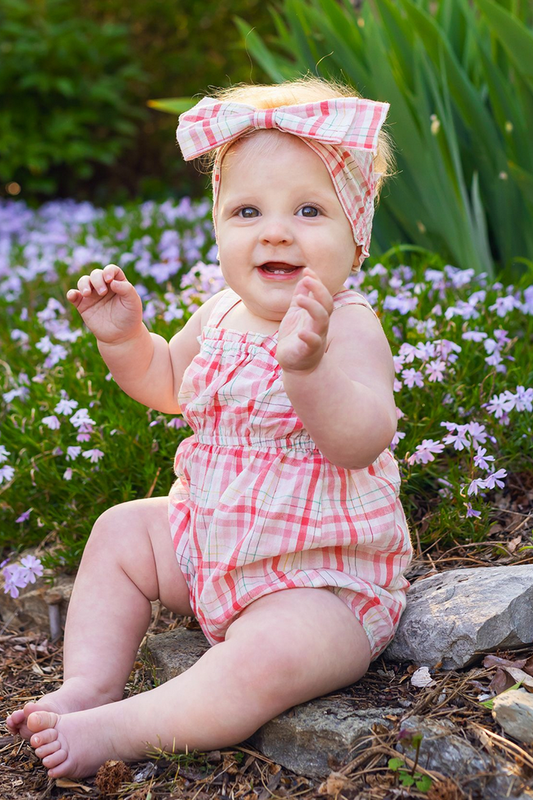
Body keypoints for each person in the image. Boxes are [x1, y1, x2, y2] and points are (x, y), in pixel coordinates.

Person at [6, 76, 412, 779]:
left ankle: (125, 725)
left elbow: (360, 440)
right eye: (247, 210)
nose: (275, 231)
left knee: (265, 659)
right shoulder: (219, 314)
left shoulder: (346, 327)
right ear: (219, 225)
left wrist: (308, 371)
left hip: (319, 580)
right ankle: (89, 685)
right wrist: (124, 338)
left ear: (357, 235)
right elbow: (166, 385)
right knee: (120, 531)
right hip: (210, 542)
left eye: (310, 210)